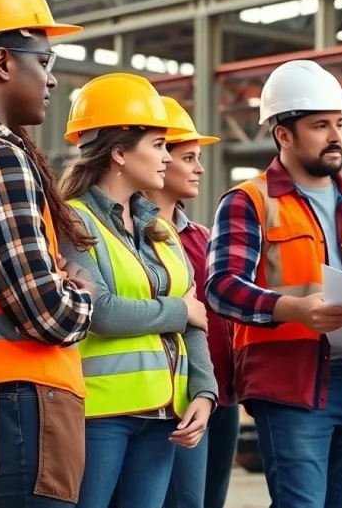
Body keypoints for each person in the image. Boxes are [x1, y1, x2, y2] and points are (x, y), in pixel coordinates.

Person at [205, 59, 342, 508]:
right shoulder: (249, 201)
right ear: (284, 135)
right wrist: (294, 309)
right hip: (292, 385)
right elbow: (222, 287)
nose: (336, 136)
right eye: (320, 125)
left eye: (340, 124)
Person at [56, 73, 218, 508]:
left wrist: (204, 392)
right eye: (159, 145)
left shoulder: (160, 229)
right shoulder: (73, 221)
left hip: (165, 415)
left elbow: (196, 318)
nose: (167, 157)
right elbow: (101, 312)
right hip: (101, 414)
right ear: (120, 153)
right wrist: (178, 310)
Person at [0, 0, 97, 508]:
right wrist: (81, 293)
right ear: (2, 61)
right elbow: (49, 313)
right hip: (14, 420)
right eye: (43, 61)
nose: (51, 80)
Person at [148, 97, 238, 508]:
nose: (199, 168)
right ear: (160, 158)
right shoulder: (130, 239)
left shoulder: (204, 237)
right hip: (171, 400)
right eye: (188, 158)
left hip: (220, 397)